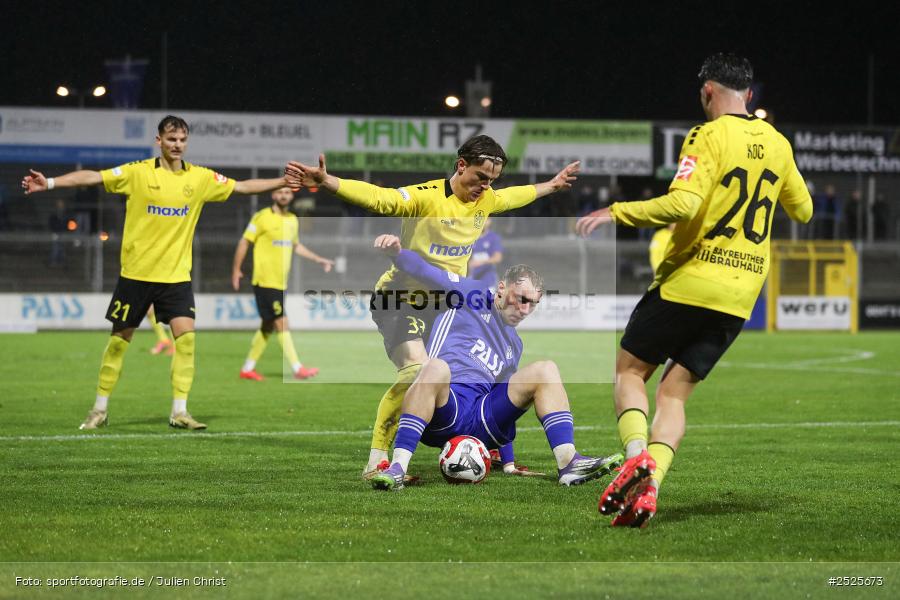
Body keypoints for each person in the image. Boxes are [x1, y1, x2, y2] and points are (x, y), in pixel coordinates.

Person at [576, 53, 813, 527]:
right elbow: (803, 210)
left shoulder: (706, 135)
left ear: (707, 91)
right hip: (741, 293)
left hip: (691, 279)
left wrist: (617, 212)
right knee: (675, 395)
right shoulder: (779, 143)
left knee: (629, 372)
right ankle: (650, 488)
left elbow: (683, 203)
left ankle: (636, 455)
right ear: (749, 94)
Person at [286, 136, 580, 477]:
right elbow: (383, 199)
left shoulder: (485, 201)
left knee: (474, 369)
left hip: (444, 306)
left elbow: (518, 196)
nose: (485, 187)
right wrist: (328, 182)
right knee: (416, 372)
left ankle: (492, 447)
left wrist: (553, 185)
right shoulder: (427, 196)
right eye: (480, 177)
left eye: (492, 181)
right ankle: (377, 461)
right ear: (460, 166)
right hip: (400, 299)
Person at [22, 115, 302, 431]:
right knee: (118, 344)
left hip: (176, 278)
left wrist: (282, 181)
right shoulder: (138, 172)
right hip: (136, 275)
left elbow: (242, 187)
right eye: (171, 139)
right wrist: (50, 183)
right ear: (159, 140)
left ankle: (179, 411)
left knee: (187, 341)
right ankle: (99, 408)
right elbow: (94, 177)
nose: (177, 145)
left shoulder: (199, 178)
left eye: (182, 139)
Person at [368, 234, 623, 491]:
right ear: (501, 288)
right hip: (445, 408)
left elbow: (504, 399)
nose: (525, 310)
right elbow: (425, 271)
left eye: (533, 305)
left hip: (480, 419)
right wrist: (397, 253)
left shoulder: (514, 344)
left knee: (545, 369)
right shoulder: (473, 294)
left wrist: (509, 462)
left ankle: (569, 464)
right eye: (521, 299)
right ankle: (398, 468)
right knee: (435, 367)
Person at [232, 186, 334, 381]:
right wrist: (236, 269)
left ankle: (247, 368)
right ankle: (297, 368)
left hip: (280, 282)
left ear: (292, 195)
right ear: (273, 194)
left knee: (267, 326)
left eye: (287, 192)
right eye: (280, 192)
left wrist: (318, 258)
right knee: (281, 322)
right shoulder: (261, 217)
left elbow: (296, 246)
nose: (283, 195)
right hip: (265, 281)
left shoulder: (292, 220)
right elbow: (245, 241)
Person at [467, 217, 504, 292]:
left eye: (486, 219)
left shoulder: (494, 237)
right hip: (470, 280)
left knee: (487, 302)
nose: (483, 222)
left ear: (490, 221)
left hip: (488, 281)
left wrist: (481, 262)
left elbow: (498, 258)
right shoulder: (469, 237)